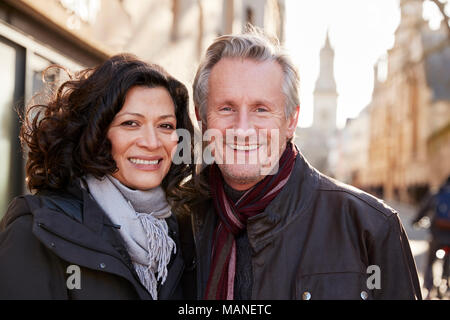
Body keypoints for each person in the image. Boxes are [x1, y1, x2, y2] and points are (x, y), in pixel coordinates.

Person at [189, 29, 422, 300]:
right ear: (201, 117)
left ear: (291, 121)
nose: (242, 130)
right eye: (226, 108)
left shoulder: (370, 227)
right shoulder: (176, 223)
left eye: (261, 109)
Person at [0, 54, 195, 299]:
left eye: (165, 126)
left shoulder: (187, 235)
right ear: (96, 133)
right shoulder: (35, 232)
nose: (152, 142)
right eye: (131, 123)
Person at [412, 176, 450, 299]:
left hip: (437, 236)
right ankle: (447, 283)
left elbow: (423, 210)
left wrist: (416, 221)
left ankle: (428, 288)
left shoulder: (436, 193)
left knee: (430, 262)